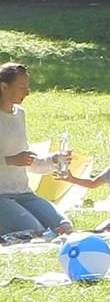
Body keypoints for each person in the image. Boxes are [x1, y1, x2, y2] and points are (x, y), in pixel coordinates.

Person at [0, 62, 73, 238]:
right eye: (22, 87)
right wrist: (10, 160)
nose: (27, 92)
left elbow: (27, 161)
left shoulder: (20, 114)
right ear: (4, 87)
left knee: (64, 227)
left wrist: (53, 160)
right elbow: (17, 159)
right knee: (36, 232)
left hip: (24, 193)